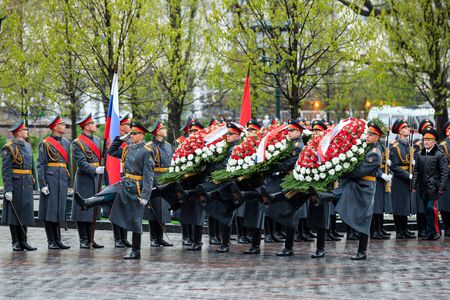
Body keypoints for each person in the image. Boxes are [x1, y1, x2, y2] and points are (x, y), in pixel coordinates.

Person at [311, 121, 383, 260]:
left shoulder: (375, 154)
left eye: (371, 134)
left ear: (377, 137)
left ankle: (362, 251)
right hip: (354, 184)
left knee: (364, 219)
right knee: (339, 193)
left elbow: (358, 171)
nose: (367, 136)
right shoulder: (364, 148)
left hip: (365, 187)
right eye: (367, 133)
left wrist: (340, 171)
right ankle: (320, 196)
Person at [107, 122, 154, 259]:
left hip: (138, 189)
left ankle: (136, 251)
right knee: (118, 214)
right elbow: (111, 151)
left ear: (142, 135)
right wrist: (121, 138)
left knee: (135, 220)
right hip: (126, 186)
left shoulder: (146, 151)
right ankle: (87, 203)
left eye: (134, 134)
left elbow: (148, 175)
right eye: (131, 134)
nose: (132, 136)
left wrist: (146, 195)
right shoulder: (128, 149)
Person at [1, 120, 37, 251]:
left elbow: (32, 167)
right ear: (19, 132)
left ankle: (24, 241)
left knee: (25, 213)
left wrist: (35, 185)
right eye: (25, 129)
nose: (27, 131)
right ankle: (15, 241)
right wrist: (8, 189)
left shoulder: (27, 146)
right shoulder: (9, 147)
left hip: (26, 183)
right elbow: (5, 170)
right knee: (14, 214)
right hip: (15, 183)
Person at [37, 115, 72, 250]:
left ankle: (58, 240)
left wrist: (70, 184)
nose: (64, 126)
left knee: (59, 210)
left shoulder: (67, 143)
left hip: (62, 179)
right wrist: (43, 184)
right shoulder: (45, 143)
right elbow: (40, 165)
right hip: (50, 179)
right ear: (55, 127)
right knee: (49, 211)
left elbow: (68, 165)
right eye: (62, 124)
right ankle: (51, 240)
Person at [71, 114, 105, 249]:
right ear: (86, 126)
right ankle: (83, 239)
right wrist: (94, 170)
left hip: (96, 177)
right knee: (82, 209)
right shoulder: (77, 143)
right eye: (92, 123)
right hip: (84, 178)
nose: (95, 125)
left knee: (93, 209)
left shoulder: (97, 140)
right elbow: (81, 162)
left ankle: (91, 238)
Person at [412, 127, 447, 240]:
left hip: (434, 187)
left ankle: (436, 231)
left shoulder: (439, 154)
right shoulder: (420, 154)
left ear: (434, 141)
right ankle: (429, 232)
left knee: (432, 209)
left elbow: (444, 172)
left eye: (428, 140)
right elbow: (416, 170)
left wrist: (441, 187)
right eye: (424, 139)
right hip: (423, 187)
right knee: (426, 210)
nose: (426, 142)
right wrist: (414, 184)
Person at [144, 120, 173, 247]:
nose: (165, 130)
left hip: (166, 179)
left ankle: (160, 237)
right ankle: (153, 238)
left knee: (164, 210)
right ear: (157, 131)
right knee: (154, 209)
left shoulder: (167, 145)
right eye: (163, 128)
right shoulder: (149, 146)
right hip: (155, 178)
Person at [389, 119, 416, 239]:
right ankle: (399, 231)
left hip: (406, 178)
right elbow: (394, 166)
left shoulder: (407, 144)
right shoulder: (395, 146)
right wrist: (407, 175)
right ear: (399, 130)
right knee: (399, 205)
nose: (408, 129)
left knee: (405, 205)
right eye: (405, 127)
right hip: (399, 180)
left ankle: (404, 229)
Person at [413, 119, 434, 237]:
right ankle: (422, 229)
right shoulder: (419, 145)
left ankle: (430, 228)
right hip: (422, 179)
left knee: (431, 206)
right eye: (426, 127)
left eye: (430, 127)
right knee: (421, 206)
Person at [439, 121, 450, 236]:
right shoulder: (443, 146)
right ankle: (447, 227)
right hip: (446, 178)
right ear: (447, 132)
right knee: (446, 204)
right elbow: (442, 164)